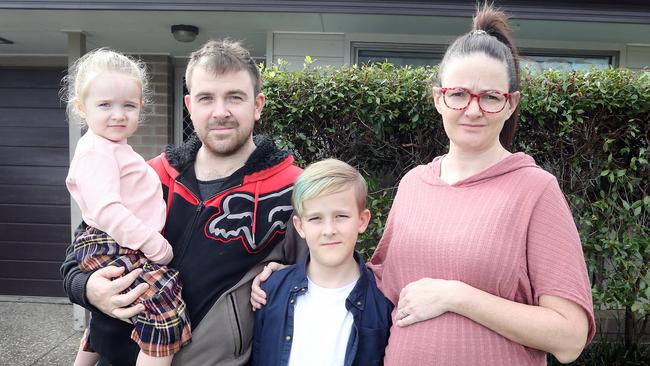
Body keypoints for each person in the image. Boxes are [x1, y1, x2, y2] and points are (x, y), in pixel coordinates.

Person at [252, 4, 596, 365]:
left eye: (491, 97)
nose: (473, 110)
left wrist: (458, 297)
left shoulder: (534, 190)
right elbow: (379, 280)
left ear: (510, 104)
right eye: (459, 94)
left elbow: (569, 337)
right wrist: (293, 276)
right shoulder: (415, 184)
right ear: (439, 99)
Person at [61, 39, 307, 366]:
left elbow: (331, 273)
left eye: (235, 97)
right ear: (190, 106)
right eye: (207, 98)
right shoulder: (148, 175)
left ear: (257, 104)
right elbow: (80, 254)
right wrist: (88, 288)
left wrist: (286, 277)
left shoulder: (294, 189)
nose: (220, 111)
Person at [63, 48, 191, 366]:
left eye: (128, 106)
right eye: (105, 105)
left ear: (141, 108)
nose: (118, 114)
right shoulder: (97, 150)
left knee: (115, 302)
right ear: (82, 108)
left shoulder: (114, 148)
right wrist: (156, 246)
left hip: (115, 239)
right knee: (163, 301)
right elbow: (108, 211)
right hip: (113, 239)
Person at [251, 159, 393, 366]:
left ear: (362, 221)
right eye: (316, 218)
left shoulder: (383, 298)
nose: (329, 230)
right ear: (300, 227)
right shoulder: (271, 291)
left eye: (341, 216)